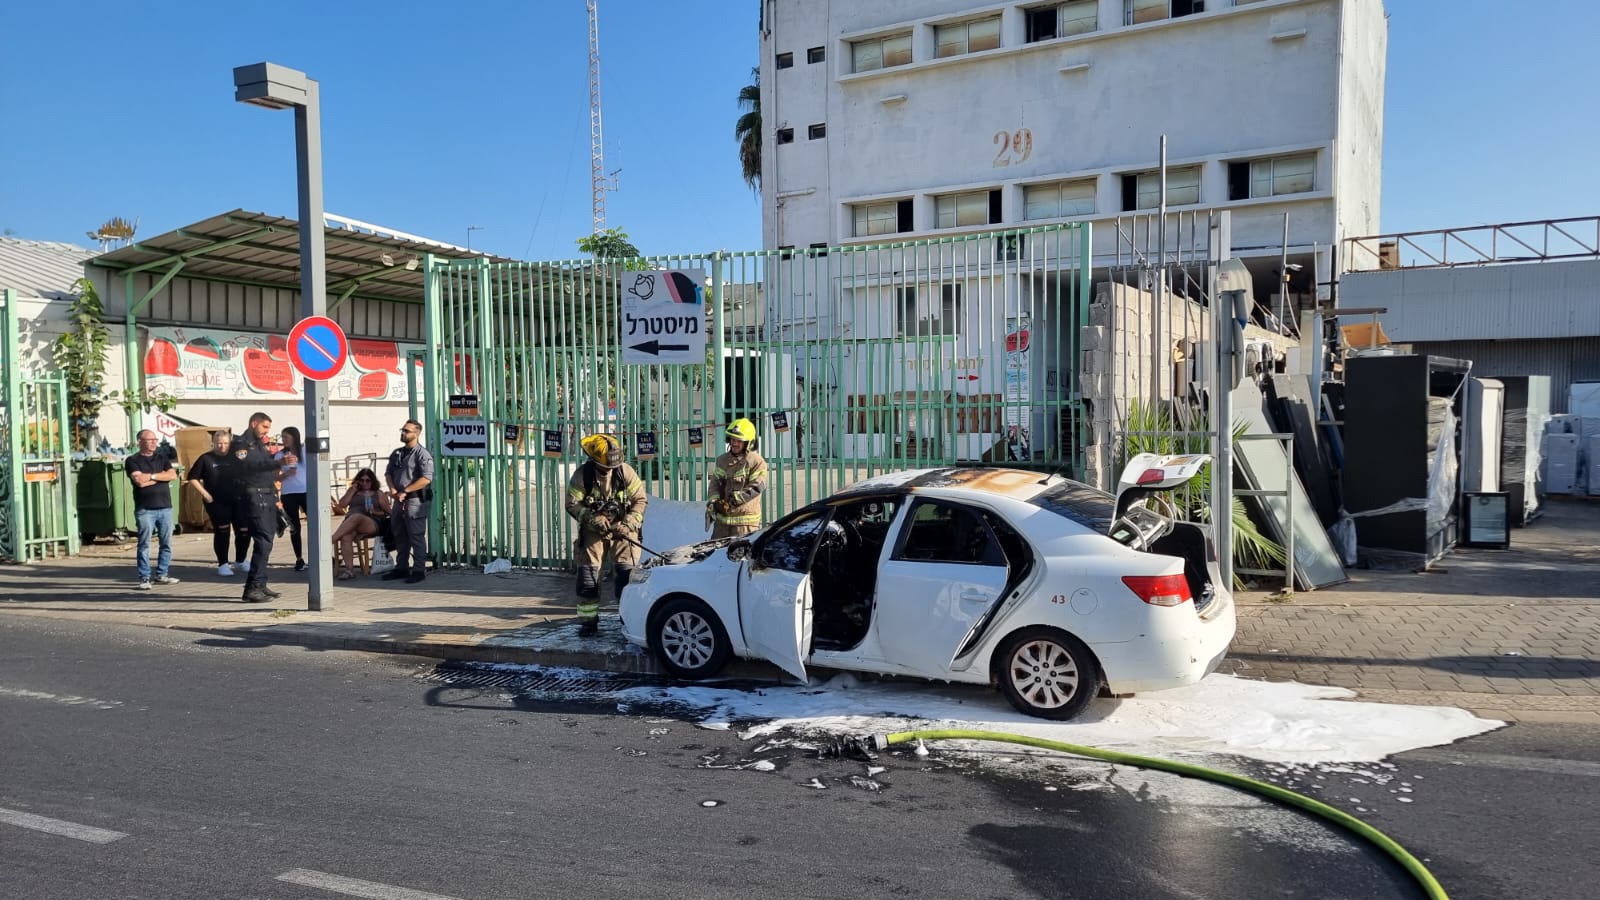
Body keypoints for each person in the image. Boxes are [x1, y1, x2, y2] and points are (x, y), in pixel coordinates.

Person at [565, 433, 648, 636]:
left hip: (623, 530)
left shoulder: (625, 472)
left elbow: (640, 500)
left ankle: (627, 620)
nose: (610, 471)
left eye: (613, 467)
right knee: (589, 578)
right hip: (594, 530)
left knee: (626, 576)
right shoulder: (582, 476)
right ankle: (588, 623)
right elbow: (571, 504)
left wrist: (629, 522)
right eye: (605, 468)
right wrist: (592, 518)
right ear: (594, 462)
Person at [226, 412, 291, 603]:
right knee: (262, 540)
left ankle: (260, 583)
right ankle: (252, 588)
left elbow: (267, 470)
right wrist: (277, 462)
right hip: (255, 496)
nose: (266, 432)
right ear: (254, 423)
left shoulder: (259, 444)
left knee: (267, 540)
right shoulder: (241, 444)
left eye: (268, 428)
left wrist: (277, 496)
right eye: (264, 427)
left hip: (268, 495)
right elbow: (248, 465)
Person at [186, 430, 250, 576]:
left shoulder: (236, 457)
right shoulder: (206, 458)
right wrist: (205, 494)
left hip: (239, 500)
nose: (222, 447)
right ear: (213, 444)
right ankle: (223, 563)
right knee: (223, 532)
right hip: (217, 501)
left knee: (244, 531)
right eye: (219, 443)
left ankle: (240, 560)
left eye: (225, 443)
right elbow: (193, 478)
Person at [126, 429, 181, 590]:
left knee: (166, 543)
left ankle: (162, 574)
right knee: (144, 544)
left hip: (165, 507)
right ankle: (144, 577)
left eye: (155, 440)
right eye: (149, 440)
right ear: (140, 441)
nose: (153, 442)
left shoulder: (162, 458)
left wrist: (150, 476)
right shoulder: (132, 460)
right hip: (145, 509)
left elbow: (172, 475)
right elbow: (139, 482)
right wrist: (160, 477)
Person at [383, 419, 434, 584]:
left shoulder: (422, 454)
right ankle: (401, 567)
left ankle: (419, 570)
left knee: (416, 536)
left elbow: (426, 478)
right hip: (399, 501)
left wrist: (406, 491)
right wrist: (392, 488)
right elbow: (389, 473)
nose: (403, 433)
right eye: (402, 430)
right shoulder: (397, 453)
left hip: (415, 501)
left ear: (416, 433)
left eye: (407, 431)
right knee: (399, 535)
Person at [707, 418, 768, 539]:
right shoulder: (722, 460)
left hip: (744, 525)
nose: (734, 443)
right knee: (715, 555)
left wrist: (732, 501)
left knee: (741, 557)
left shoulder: (756, 462)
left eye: (739, 440)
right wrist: (714, 502)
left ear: (748, 443)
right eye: (732, 439)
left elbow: (757, 486)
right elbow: (714, 484)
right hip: (722, 525)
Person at [331, 468, 391, 579]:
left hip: (371, 522)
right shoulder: (353, 491)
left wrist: (375, 511)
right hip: (351, 523)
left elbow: (388, 512)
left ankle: (331, 539)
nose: (364, 483)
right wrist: (353, 490)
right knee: (346, 536)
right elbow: (342, 505)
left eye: (368, 480)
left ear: (372, 481)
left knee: (357, 517)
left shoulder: (378, 494)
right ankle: (349, 570)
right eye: (361, 480)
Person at [276, 426, 308, 572]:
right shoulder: (280, 456)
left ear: (294, 437)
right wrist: (286, 475)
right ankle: (299, 559)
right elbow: (274, 476)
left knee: (315, 525)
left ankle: (321, 555)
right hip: (289, 493)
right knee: (295, 527)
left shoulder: (305, 452)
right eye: (282, 438)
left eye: (286, 437)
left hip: (306, 491)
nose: (283, 440)